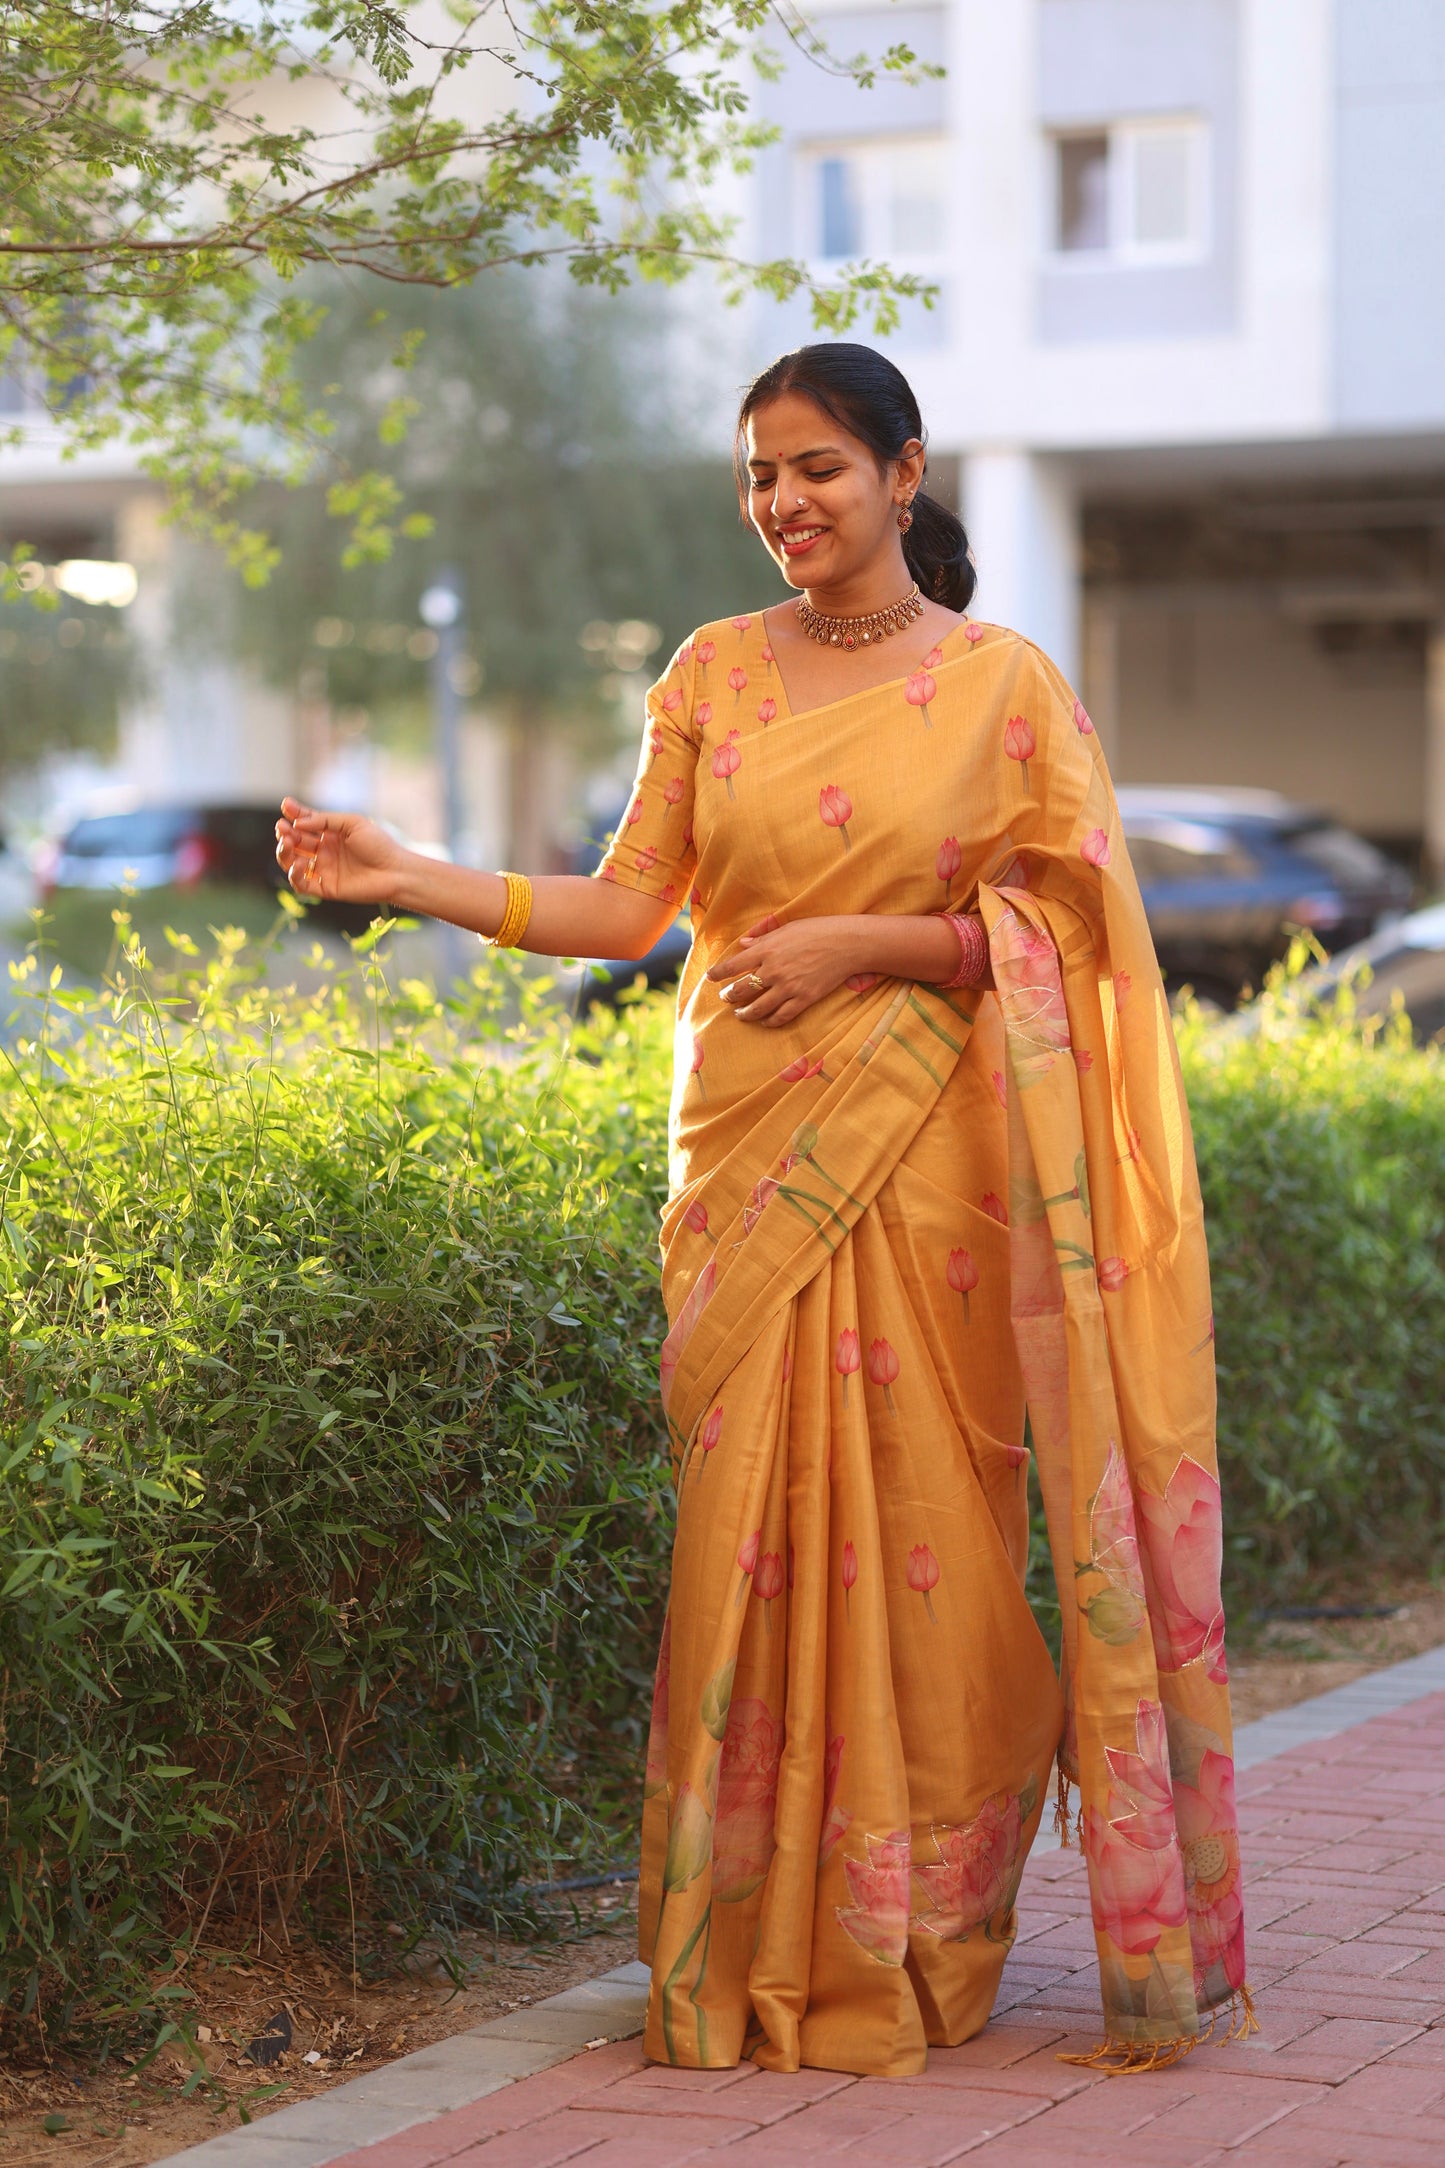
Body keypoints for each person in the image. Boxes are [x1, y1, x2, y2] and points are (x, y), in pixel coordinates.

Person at [276, 342, 1248, 2078]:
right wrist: (409, 874)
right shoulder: (711, 673)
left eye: (817, 468)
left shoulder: (1005, 688)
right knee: (752, 1533)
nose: (785, 503)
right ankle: (751, 1934)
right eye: (758, 476)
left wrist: (870, 945)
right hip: (744, 1160)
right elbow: (628, 908)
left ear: (902, 472)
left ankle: (911, 1936)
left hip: (929, 1171)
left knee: (936, 1553)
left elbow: (1079, 934)